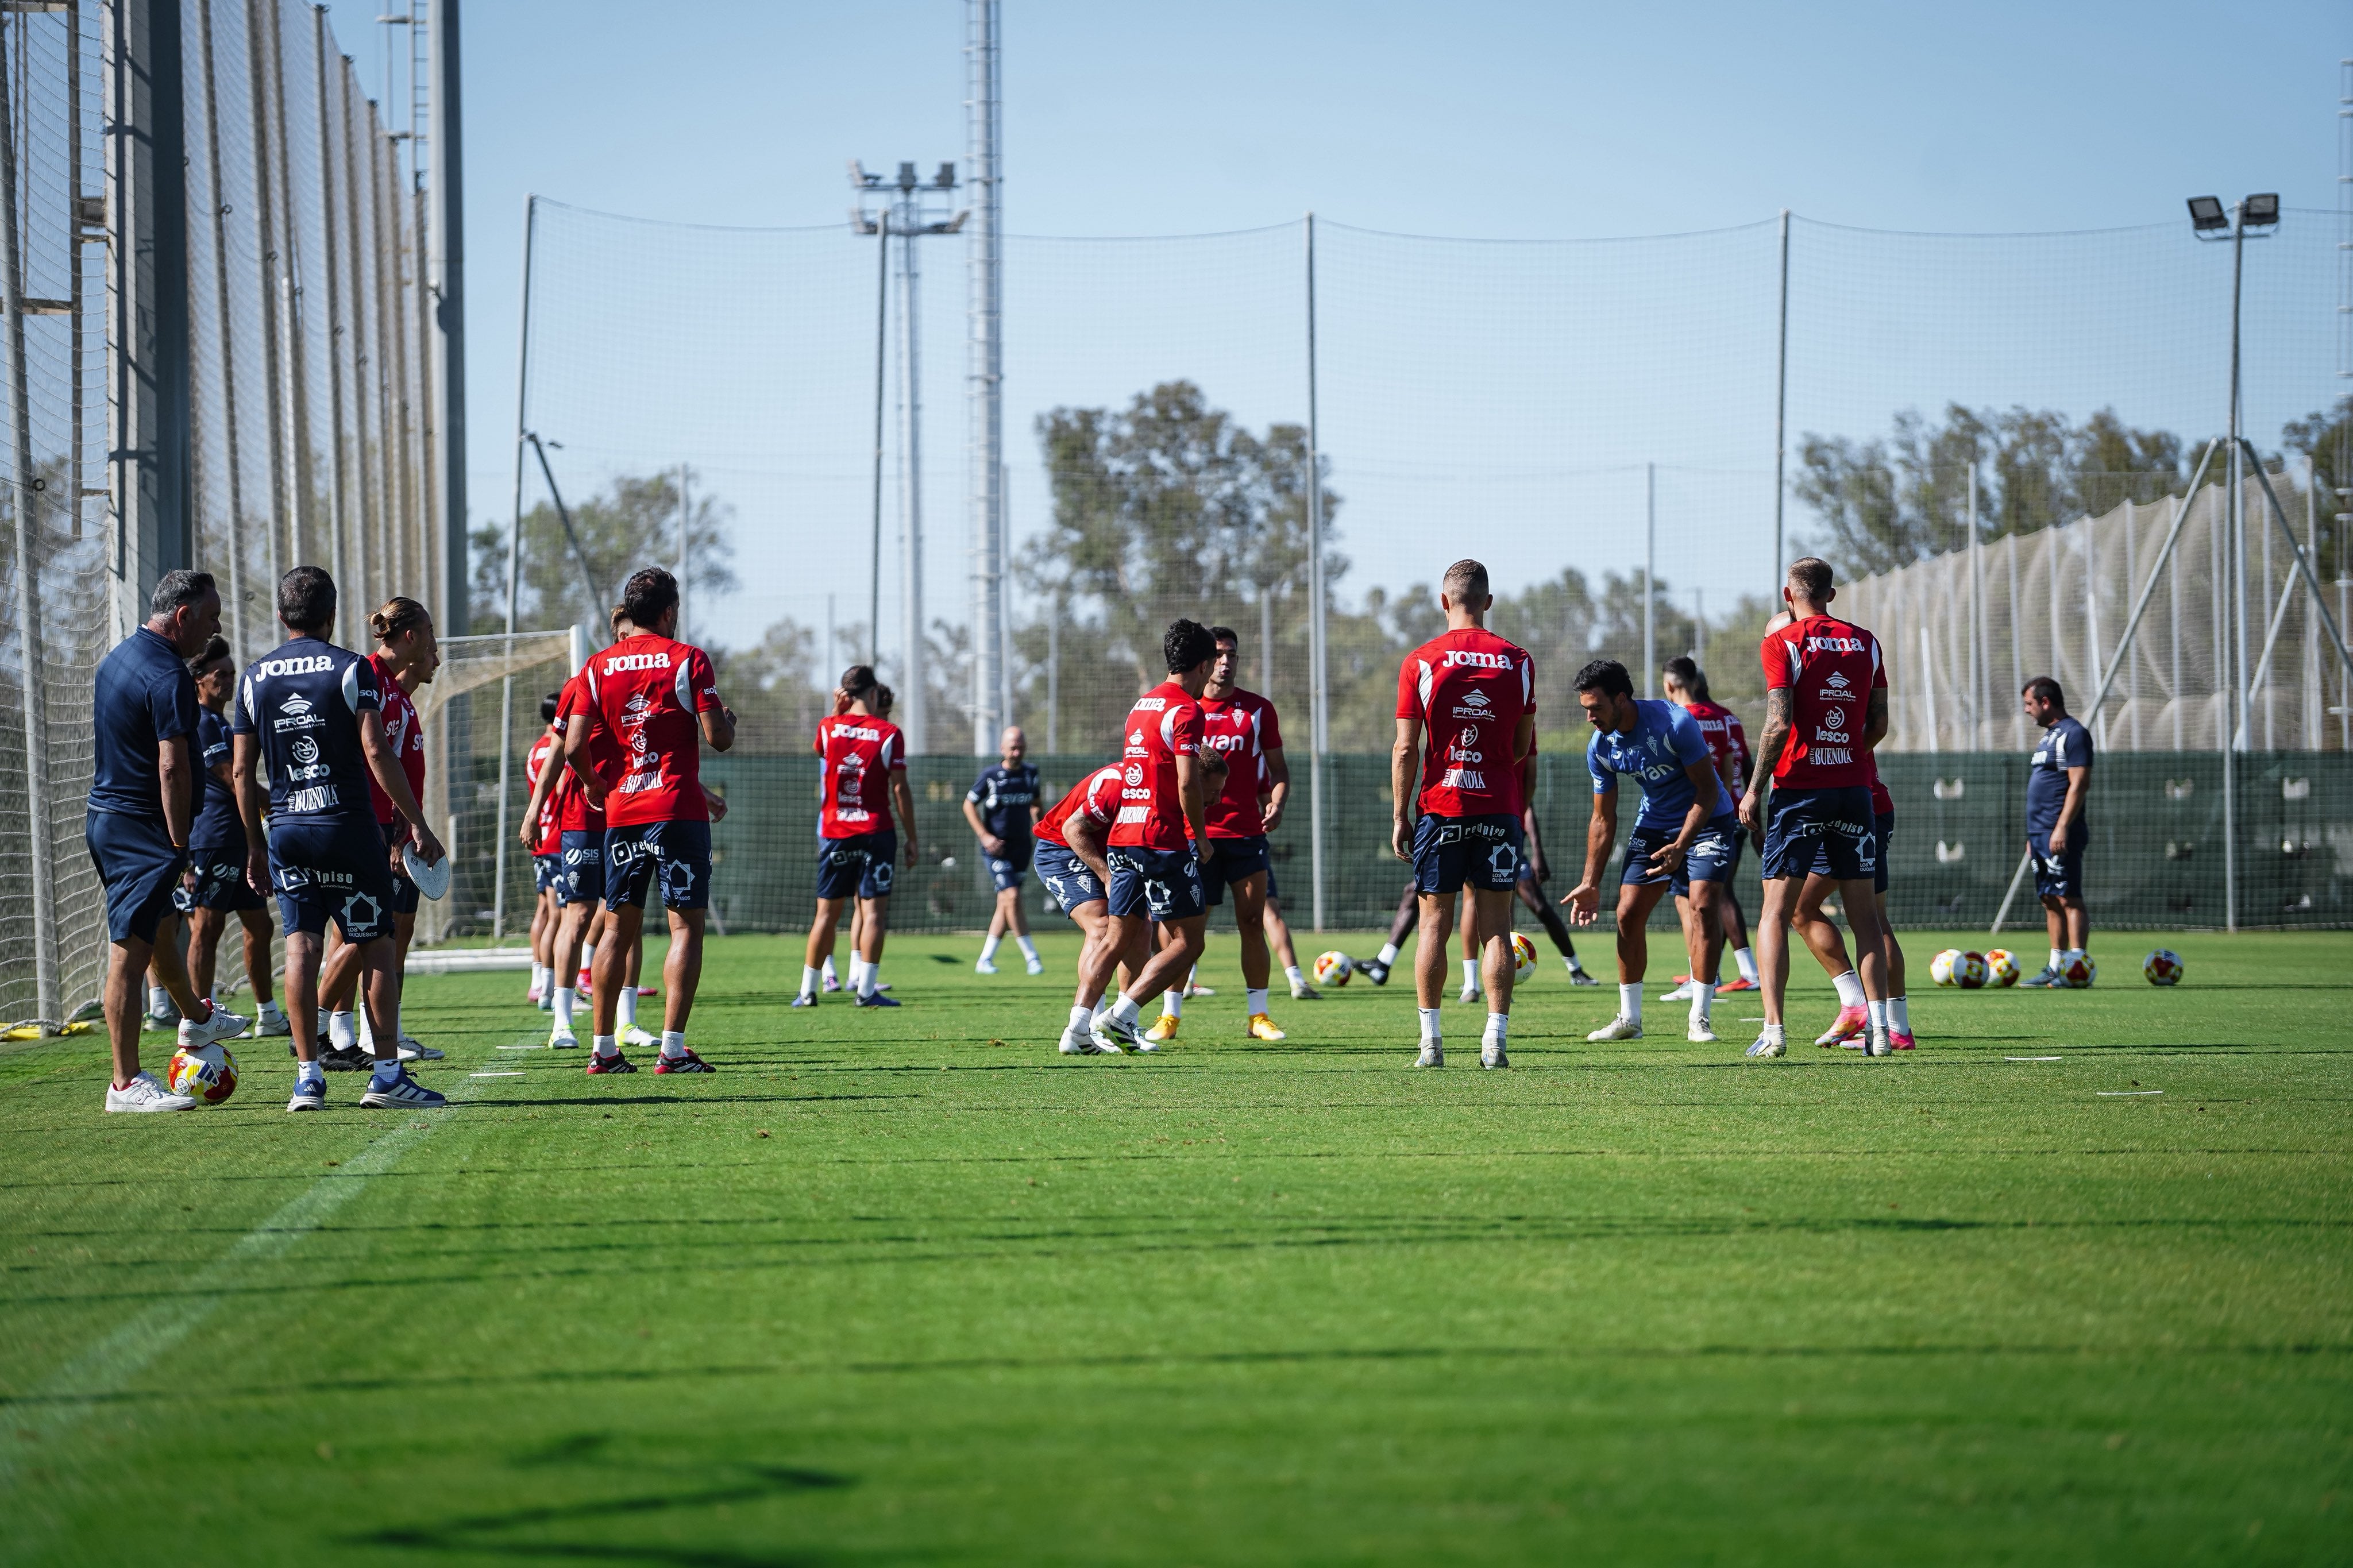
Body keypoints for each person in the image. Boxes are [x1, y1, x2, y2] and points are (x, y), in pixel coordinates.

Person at [232, 566, 445, 1110]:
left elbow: (240, 772)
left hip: (287, 830)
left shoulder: (254, 678)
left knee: (300, 945)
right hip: (347, 827)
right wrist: (416, 822)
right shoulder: (352, 669)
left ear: (282, 617)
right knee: (377, 942)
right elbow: (376, 752)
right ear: (332, 615)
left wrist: (255, 843)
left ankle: (307, 1077)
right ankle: (388, 1078)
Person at [85, 570, 248, 1112]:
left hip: (110, 819)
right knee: (129, 955)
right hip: (142, 832)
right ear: (182, 617)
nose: (216, 627)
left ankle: (198, 1019)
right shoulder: (168, 674)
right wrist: (180, 843)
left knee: (159, 933)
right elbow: (173, 767)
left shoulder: (118, 659)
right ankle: (126, 1084)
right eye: (211, 616)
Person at [566, 567, 734, 1072]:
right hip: (677, 812)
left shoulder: (596, 666)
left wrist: (598, 786)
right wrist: (728, 720)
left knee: (615, 929)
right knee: (685, 929)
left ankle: (603, 1050)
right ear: (668, 612)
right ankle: (673, 1050)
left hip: (623, 813)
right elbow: (718, 739)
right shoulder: (689, 659)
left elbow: (573, 747)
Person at [1737, 558, 1893, 1059]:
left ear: (1789, 594)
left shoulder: (1782, 642)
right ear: (1832, 592)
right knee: (1865, 918)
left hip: (1799, 791)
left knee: (1775, 913)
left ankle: (1775, 1031)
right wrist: (1845, 752)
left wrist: (1754, 788)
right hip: (1854, 790)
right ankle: (1883, 1032)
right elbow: (1879, 723)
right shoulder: (1866, 642)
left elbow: (1777, 724)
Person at [1391, 559, 1536, 1069]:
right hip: (1499, 807)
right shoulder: (1518, 660)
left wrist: (1400, 814)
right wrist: (1490, 768)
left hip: (1442, 807)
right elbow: (1522, 744)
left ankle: (1431, 1044)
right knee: (1498, 925)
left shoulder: (1422, 661)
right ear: (1489, 602)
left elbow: (1406, 749)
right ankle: (1495, 1042)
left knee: (1434, 925)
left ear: (1444, 600)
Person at [1561, 658, 1737, 1044]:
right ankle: (1630, 1019)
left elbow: (1707, 792)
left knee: (1703, 907)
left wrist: (1681, 846)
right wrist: (1591, 882)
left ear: (1622, 699)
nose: (1590, 717)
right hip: (1655, 826)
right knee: (1626, 913)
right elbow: (1603, 820)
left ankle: (1700, 1018)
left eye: (1597, 708)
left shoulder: (1676, 723)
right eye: (1586, 709)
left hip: (1707, 820)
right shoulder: (1600, 746)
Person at [1069, 620, 1220, 1055]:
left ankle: (1077, 1028)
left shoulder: (1141, 705)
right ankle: (1123, 1015)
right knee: (1189, 941)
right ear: (1205, 664)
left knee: (1117, 937)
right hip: (1161, 840)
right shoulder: (1186, 710)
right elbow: (1188, 784)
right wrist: (1202, 836)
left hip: (1123, 836)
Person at [316, 597, 443, 1064]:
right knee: (359, 932)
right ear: (410, 636)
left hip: (388, 828)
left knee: (382, 934)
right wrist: (402, 827)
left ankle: (371, 1034)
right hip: (363, 825)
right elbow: (372, 760)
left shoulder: (393, 690)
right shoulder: (366, 677)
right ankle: (321, 1026)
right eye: (430, 632)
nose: (435, 645)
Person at [1171, 625, 1293, 1043]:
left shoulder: (1258, 710)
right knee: (1186, 933)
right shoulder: (1184, 709)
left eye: (1233, 655)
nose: (1226, 662)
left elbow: (1279, 771)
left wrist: (1276, 802)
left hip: (1245, 835)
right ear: (1205, 661)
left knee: (1251, 922)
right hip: (1193, 837)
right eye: (1220, 654)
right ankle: (1170, 1017)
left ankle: (1258, 1015)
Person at [177, 634, 289, 1038]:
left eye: (230, 674)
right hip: (216, 838)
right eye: (218, 675)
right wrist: (285, 801)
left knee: (260, 928)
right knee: (207, 928)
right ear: (199, 681)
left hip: (242, 841)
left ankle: (269, 1015)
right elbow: (230, 778)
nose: (227, 680)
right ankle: (198, 1019)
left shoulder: (223, 723)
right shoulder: (202, 723)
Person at [795, 664, 916, 1008]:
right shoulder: (890, 732)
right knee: (873, 913)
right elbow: (900, 789)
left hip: (836, 832)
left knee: (826, 915)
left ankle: (807, 991)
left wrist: (836, 713)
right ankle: (865, 990)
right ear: (875, 692)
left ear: (846, 694)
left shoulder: (828, 727)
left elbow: (821, 749)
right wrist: (912, 838)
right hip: (877, 832)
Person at [1453, 735, 1597, 1002]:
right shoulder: (1519, 725)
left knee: (1519, 903)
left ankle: (1477, 984)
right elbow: (1529, 788)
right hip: (1504, 825)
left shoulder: (1494, 726)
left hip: (1474, 822)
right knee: (1485, 900)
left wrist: (1536, 851)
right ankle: (1474, 984)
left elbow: (1526, 797)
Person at [1660, 656, 1760, 995]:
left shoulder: (1680, 720)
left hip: (1695, 817)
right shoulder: (1725, 718)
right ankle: (1710, 972)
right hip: (1731, 812)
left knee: (1698, 896)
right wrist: (1752, 811)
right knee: (1713, 894)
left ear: (1671, 685)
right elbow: (1739, 763)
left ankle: (1718, 973)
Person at [1035, 762, 1124, 1052]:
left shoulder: (1169, 785)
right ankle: (1089, 1029)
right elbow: (1072, 830)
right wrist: (1107, 876)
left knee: (1137, 928)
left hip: (1106, 851)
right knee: (1102, 925)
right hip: (1061, 848)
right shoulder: (1119, 781)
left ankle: (1121, 1022)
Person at [2019, 675, 2094, 987]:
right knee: (2049, 898)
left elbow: (2079, 783)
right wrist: (2033, 835)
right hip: (2040, 834)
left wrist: (2061, 826)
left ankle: (2078, 968)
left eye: (2029, 704)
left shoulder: (2074, 734)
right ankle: (2055, 967)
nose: (2026, 711)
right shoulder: (2050, 736)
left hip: (2060, 832)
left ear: (2045, 702)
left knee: (2068, 898)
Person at [964, 726, 1043, 976]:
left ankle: (985, 959)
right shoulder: (991, 775)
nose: (1017, 752)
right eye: (1012, 747)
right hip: (996, 849)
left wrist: (1040, 827)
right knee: (1012, 897)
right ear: (1002, 749)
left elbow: (1036, 805)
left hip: (1022, 847)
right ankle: (1032, 957)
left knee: (1005, 903)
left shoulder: (1031, 774)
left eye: (1020, 747)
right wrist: (985, 836)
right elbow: (968, 805)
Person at [524, 692, 564, 1009]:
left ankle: (539, 981)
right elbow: (562, 788)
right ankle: (553, 986)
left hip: (542, 835)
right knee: (560, 917)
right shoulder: (556, 749)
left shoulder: (535, 749)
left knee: (544, 910)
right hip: (560, 837)